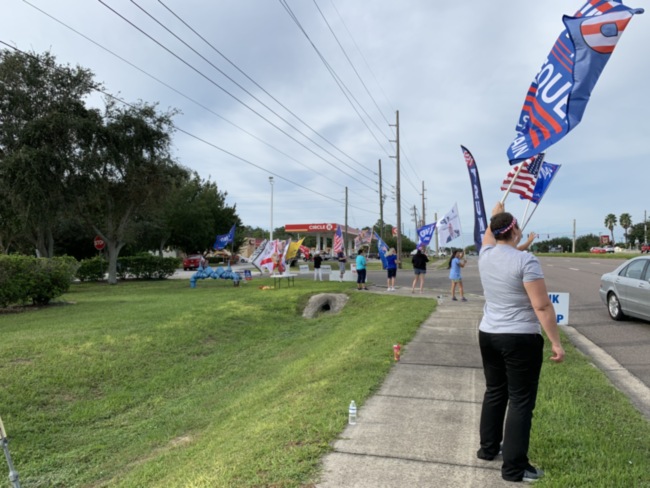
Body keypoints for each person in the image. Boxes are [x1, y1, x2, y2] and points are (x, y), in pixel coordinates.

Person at [476, 202, 565, 483]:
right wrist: (556, 342)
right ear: (513, 229)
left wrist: (495, 216)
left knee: (495, 392)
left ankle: (488, 449)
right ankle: (514, 468)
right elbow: (542, 307)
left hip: (488, 334)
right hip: (519, 338)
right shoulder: (526, 261)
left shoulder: (485, 254)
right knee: (520, 401)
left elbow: (488, 236)